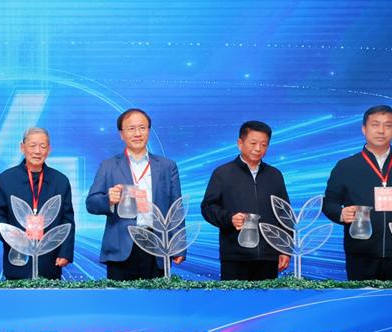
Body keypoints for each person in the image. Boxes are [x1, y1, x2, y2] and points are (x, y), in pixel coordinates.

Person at [323, 105, 392, 280]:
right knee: (362, 296)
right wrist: (340, 213)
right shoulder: (346, 166)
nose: (381, 131)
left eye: (388, 125)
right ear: (364, 129)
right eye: (375, 125)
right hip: (360, 250)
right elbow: (329, 203)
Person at [86, 108, 184, 280]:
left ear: (148, 131)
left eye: (142, 128)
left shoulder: (167, 166)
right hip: (121, 246)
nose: (137, 133)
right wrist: (109, 200)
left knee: (157, 296)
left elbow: (176, 208)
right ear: (121, 134)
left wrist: (178, 245)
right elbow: (91, 203)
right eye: (131, 129)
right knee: (120, 297)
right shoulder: (108, 166)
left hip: (157, 245)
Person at [201, 121, 290, 280]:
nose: (258, 149)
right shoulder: (223, 173)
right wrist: (229, 218)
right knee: (234, 296)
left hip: (268, 255)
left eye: (263, 145)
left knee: (268, 296)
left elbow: (285, 214)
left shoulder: (275, 175)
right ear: (240, 143)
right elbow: (208, 207)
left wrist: (285, 248)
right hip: (235, 255)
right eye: (253, 143)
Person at [0, 128, 74, 279]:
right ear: (22, 147)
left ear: (49, 149)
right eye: (32, 146)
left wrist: (65, 252)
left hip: (50, 256)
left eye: (43, 146)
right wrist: (10, 237)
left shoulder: (60, 181)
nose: (37, 151)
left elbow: (67, 219)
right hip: (17, 254)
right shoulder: (5, 179)